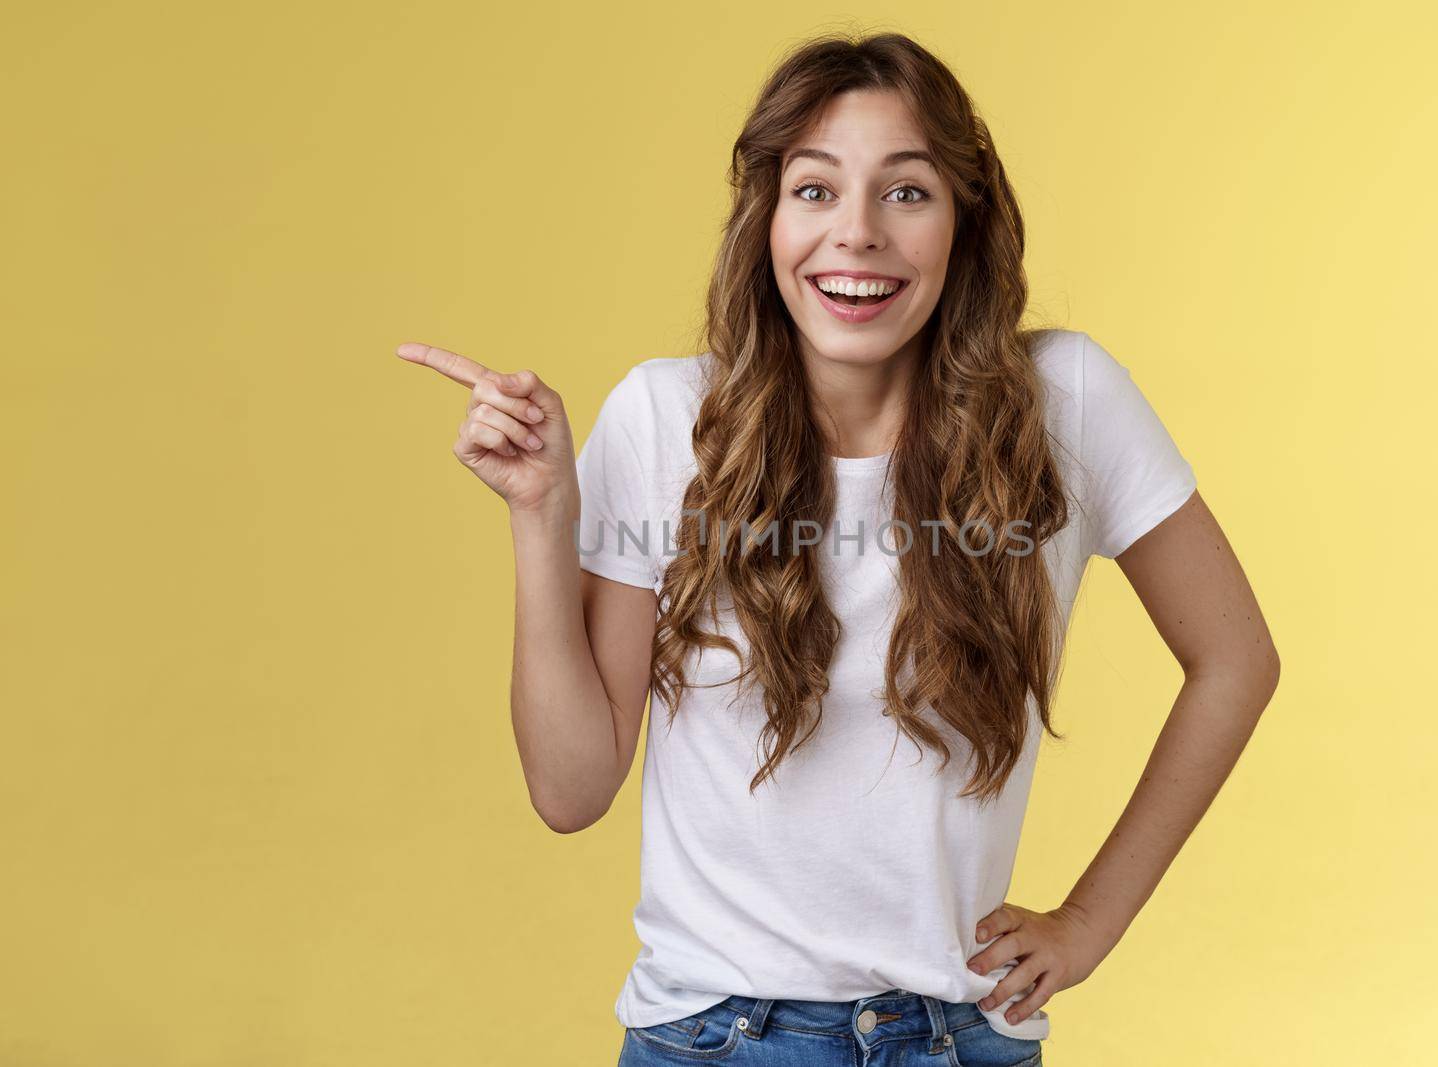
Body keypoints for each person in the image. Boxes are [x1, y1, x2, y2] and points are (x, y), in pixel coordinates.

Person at [397, 30, 1279, 1067]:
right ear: (766, 220)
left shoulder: (1065, 403)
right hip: (716, 1036)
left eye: (905, 192)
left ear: (965, 220)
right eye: (814, 191)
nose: (854, 234)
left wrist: (1088, 922)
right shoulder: (661, 416)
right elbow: (572, 788)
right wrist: (541, 516)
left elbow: (1236, 660)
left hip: (963, 1036)